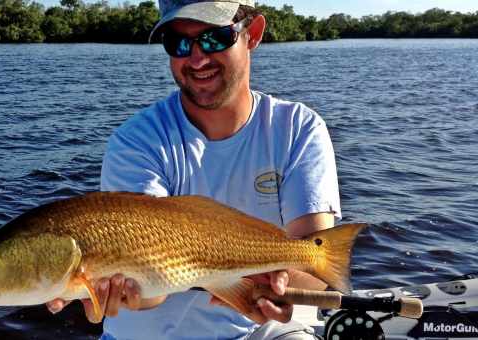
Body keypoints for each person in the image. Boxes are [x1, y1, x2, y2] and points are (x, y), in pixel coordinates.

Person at [47, 0, 341, 338]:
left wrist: (280, 284)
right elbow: (152, 289)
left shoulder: (298, 129)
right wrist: (119, 290)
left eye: (215, 38)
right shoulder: (137, 140)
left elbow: (317, 263)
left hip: (256, 333)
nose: (197, 58)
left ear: (253, 34)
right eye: (179, 43)